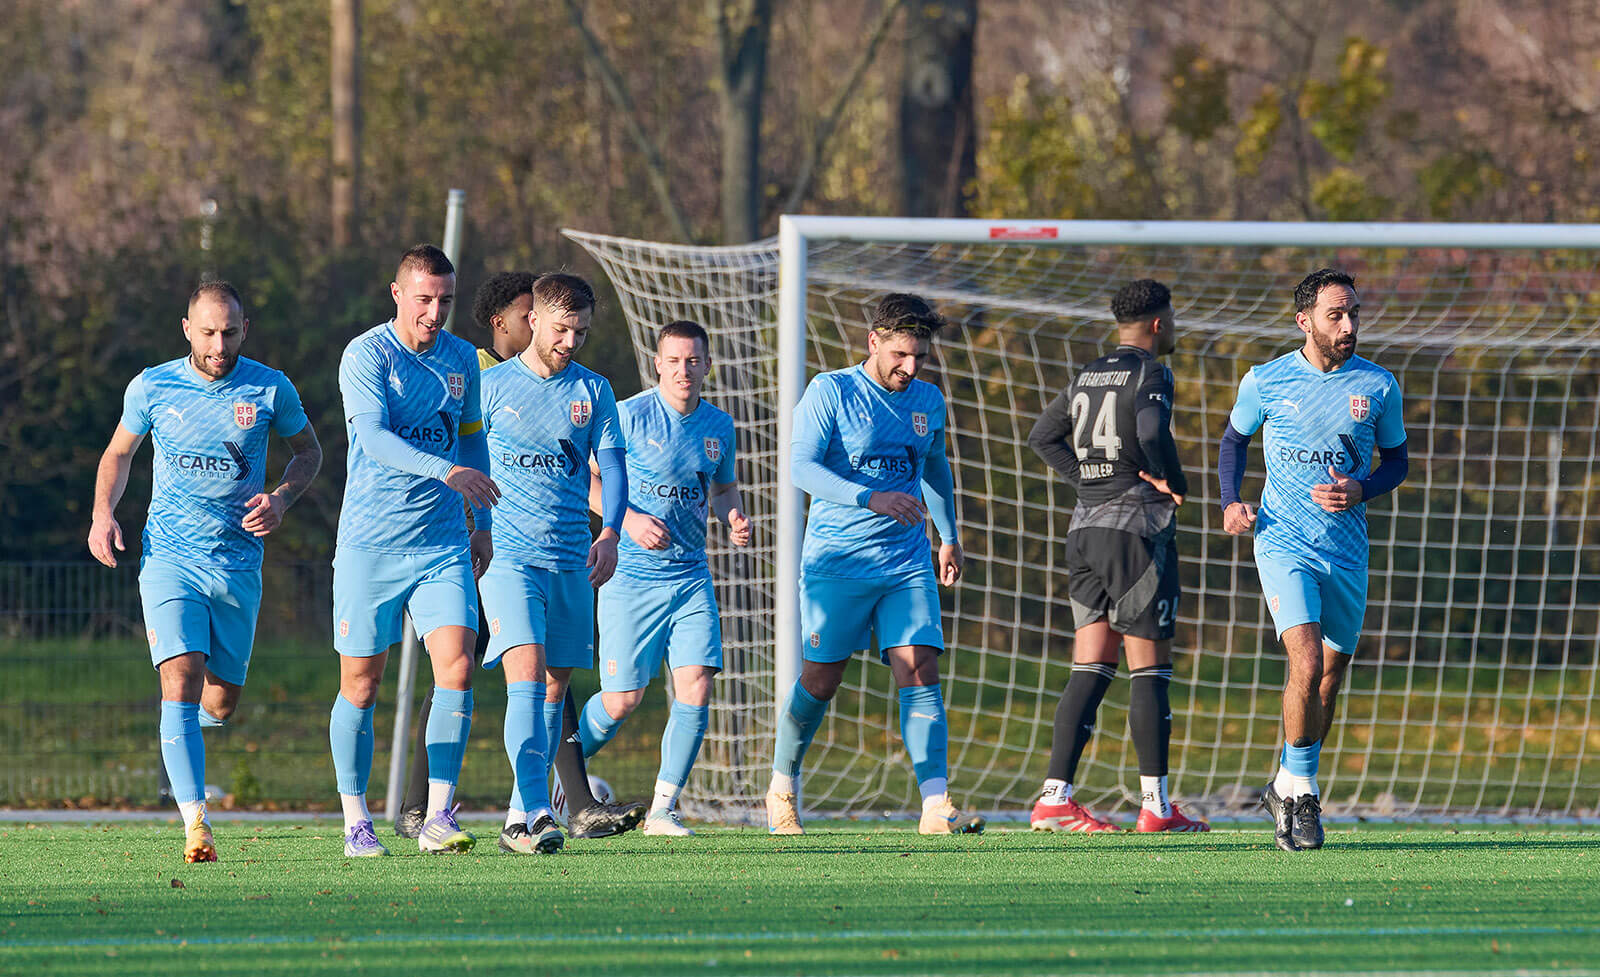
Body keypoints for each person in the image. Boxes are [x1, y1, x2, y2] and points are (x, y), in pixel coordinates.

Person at [88, 280, 323, 863]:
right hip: (169, 559)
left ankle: (182, 732)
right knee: (181, 678)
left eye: (231, 332)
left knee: (219, 703)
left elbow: (308, 452)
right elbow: (118, 453)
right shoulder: (153, 384)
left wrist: (282, 499)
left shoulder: (270, 387)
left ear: (246, 330)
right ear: (187, 328)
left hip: (238, 564)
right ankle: (197, 823)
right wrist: (102, 514)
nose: (220, 344)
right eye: (210, 332)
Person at [765, 292, 982, 836]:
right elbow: (801, 468)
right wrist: (870, 497)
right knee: (821, 679)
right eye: (901, 355)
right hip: (836, 563)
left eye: (921, 359)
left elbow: (934, 469)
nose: (910, 368)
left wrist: (948, 537)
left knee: (919, 664)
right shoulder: (831, 391)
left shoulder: (928, 402)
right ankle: (781, 786)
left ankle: (936, 805)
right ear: (873, 342)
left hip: (905, 562)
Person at [1218, 268, 1408, 851]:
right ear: (1305, 321)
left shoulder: (1378, 386)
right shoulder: (1266, 380)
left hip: (1346, 552)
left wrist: (1362, 489)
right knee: (1303, 660)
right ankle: (1302, 792)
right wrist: (1230, 501)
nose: (1348, 325)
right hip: (1282, 542)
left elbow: (1397, 463)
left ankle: (1285, 780)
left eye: (1353, 313)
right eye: (1336, 315)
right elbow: (1233, 440)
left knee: (1328, 677)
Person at [329, 244, 500, 857]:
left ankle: (437, 816)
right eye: (424, 298)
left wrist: (481, 520)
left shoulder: (462, 360)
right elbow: (372, 437)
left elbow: (473, 440)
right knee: (362, 685)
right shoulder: (367, 354)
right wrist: (445, 471)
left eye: (446, 300)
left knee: (457, 668)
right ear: (397, 293)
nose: (435, 311)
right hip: (370, 545)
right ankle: (356, 821)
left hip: (442, 545)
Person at [1026, 279, 1208, 833]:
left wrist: (1092, 481)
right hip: (1135, 532)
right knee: (1148, 669)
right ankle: (1156, 808)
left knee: (1091, 666)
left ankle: (1054, 798)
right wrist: (1172, 481)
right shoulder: (1151, 371)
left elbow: (1042, 436)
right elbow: (1152, 429)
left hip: (1084, 531)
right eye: (1172, 320)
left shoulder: (1087, 375)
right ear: (1158, 324)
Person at [477, 271, 646, 849]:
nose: (570, 341)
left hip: (573, 557)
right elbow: (462, 463)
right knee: (524, 678)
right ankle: (535, 813)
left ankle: (515, 818)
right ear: (534, 320)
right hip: (508, 558)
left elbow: (615, 469)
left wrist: (613, 533)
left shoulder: (594, 391)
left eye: (580, 332)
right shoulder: (492, 387)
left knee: (554, 689)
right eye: (560, 328)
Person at [578, 320, 753, 836]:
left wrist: (733, 517)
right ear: (658, 363)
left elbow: (721, 491)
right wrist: (626, 522)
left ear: (707, 365)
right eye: (674, 360)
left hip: (691, 577)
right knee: (621, 701)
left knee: (696, 685)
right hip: (629, 577)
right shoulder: (627, 416)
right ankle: (551, 776)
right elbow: (585, 479)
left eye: (693, 361)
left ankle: (662, 810)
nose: (684, 370)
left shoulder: (720, 427)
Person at [393, 270, 537, 840]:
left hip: (510, 541)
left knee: (493, 664)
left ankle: (545, 801)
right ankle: (418, 805)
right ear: (501, 321)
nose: (540, 325)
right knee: (460, 666)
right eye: (530, 314)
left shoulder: (556, 382)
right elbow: (472, 447)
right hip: (459, 540)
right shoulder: (473, 368)